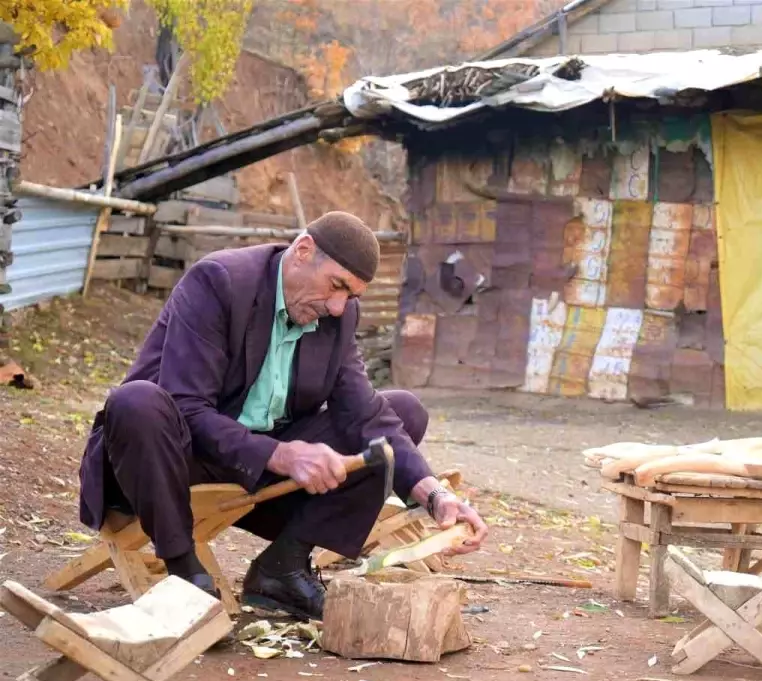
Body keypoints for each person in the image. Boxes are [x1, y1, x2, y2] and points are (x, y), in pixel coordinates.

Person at [76, 211, 488, 620]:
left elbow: (366, 414)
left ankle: (283, 567)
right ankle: (185, 573)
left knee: (402, 411)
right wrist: (282, 455)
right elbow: (186, 407)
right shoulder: (218, 281)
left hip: (257, 473)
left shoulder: (335, 317)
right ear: (303, 251)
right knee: (136, 402)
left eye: (351, 296)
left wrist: (436, 496)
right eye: (336, 286)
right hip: (169, 462)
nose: (338, 306)